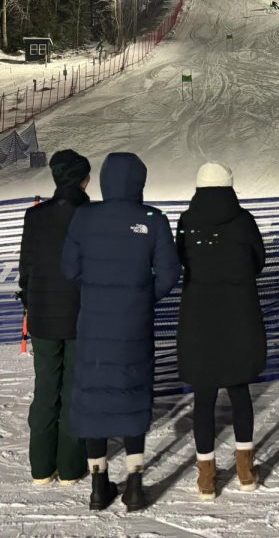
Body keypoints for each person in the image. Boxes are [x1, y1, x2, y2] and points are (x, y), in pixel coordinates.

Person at [62, 152, 181, 513]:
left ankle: (99, 486)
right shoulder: (152, 220)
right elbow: (170, 272)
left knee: (94, 396)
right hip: (134, 323)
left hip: (94, 323)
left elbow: (69, 269)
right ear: (139, 182)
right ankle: (134, 485)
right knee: (132, 394)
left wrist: (97, 289)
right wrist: (142, 296)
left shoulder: (84, 217)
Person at [175, 162, 266, 500]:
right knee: (239, 390)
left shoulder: (187, 220)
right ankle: (245, 471)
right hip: (238, 314)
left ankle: (206, 478)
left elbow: (180, 257)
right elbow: (259, 260)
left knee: (204, 397)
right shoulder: (244, 221)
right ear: (230, 186)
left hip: (199, 317)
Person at [18, 149, 90, 487]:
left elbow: (26, 270)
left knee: (46, 387)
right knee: (74, 390)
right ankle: (71, 467)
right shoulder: (92, 214)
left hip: (44, 317)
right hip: (81, 317)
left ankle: (41, 467)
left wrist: (29, 303)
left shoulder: (35, 217)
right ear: (82, 179)